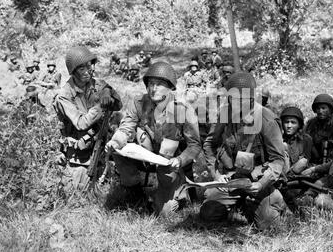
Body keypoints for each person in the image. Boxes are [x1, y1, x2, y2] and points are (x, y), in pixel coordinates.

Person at [105, 62, 201, 215]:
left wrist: (180, 160)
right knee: (117, 151)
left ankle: (178, 194)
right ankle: (135, 192)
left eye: (159, 84)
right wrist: (116, 141)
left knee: (165, 212)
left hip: (170, 162)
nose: (153, 88)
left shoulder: (183, 109)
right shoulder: (138, 103)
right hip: (145, 156)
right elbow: (126, 127)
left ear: (170, 87)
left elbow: (195, 145)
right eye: (150, 84)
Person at [199, 72, 289, 230]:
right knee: (209, 213)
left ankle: (275, 200)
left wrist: (261, 184)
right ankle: (239, 204)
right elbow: (209, 143)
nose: (237, 102)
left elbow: (278, 160)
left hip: (259, 179)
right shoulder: (225, 114)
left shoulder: (266, 119)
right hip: (233, 177)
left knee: (267, 224)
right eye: (233, 98)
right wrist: (216, 175)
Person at [53, 46, 123, 193]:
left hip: (100, 142)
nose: (87, 71)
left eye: (89, 66)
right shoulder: (64, 95)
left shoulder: (96, 84)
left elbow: (118, 105)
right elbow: (81, 123)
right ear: (73, 71)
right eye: (81, 69)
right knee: (78, 192)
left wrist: (108, 93)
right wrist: (100, 106)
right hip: (79, 150)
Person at [304, 94, 333, 165]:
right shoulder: (311, 123)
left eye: (323, 108)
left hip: (331, 158)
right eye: (318, 108)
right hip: (314, 157)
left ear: (330, 109)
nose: (320, 111)